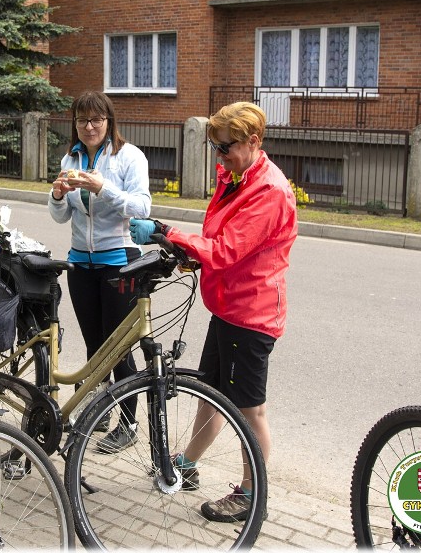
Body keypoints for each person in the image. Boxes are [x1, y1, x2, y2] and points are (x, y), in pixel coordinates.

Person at [129, 101, 297, 522]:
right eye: (215, 148)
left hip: (252, 315)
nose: (218, 157)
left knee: (249, 409)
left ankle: (251, 493)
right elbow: (216, 238)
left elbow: (226, 250)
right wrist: (183, 251)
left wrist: (167, 232)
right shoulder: (237, 176)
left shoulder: (269, 192)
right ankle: (186, 463)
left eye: (225, 148)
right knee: (212, 394)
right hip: (228, 308)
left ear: (253, 142)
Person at [48, 91, 151, 453]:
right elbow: (61, 217)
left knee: (118, 346)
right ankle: (100, 411)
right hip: (81, 264)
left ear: (109, 121)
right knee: (95, 346)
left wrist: (102, 187)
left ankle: (129, 422)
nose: (89, 127)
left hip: (119, 261)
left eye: (96, 120)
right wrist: (58, 194)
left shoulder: (128, 156)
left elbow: (141, 206)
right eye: (81, 120)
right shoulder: (70, 157)